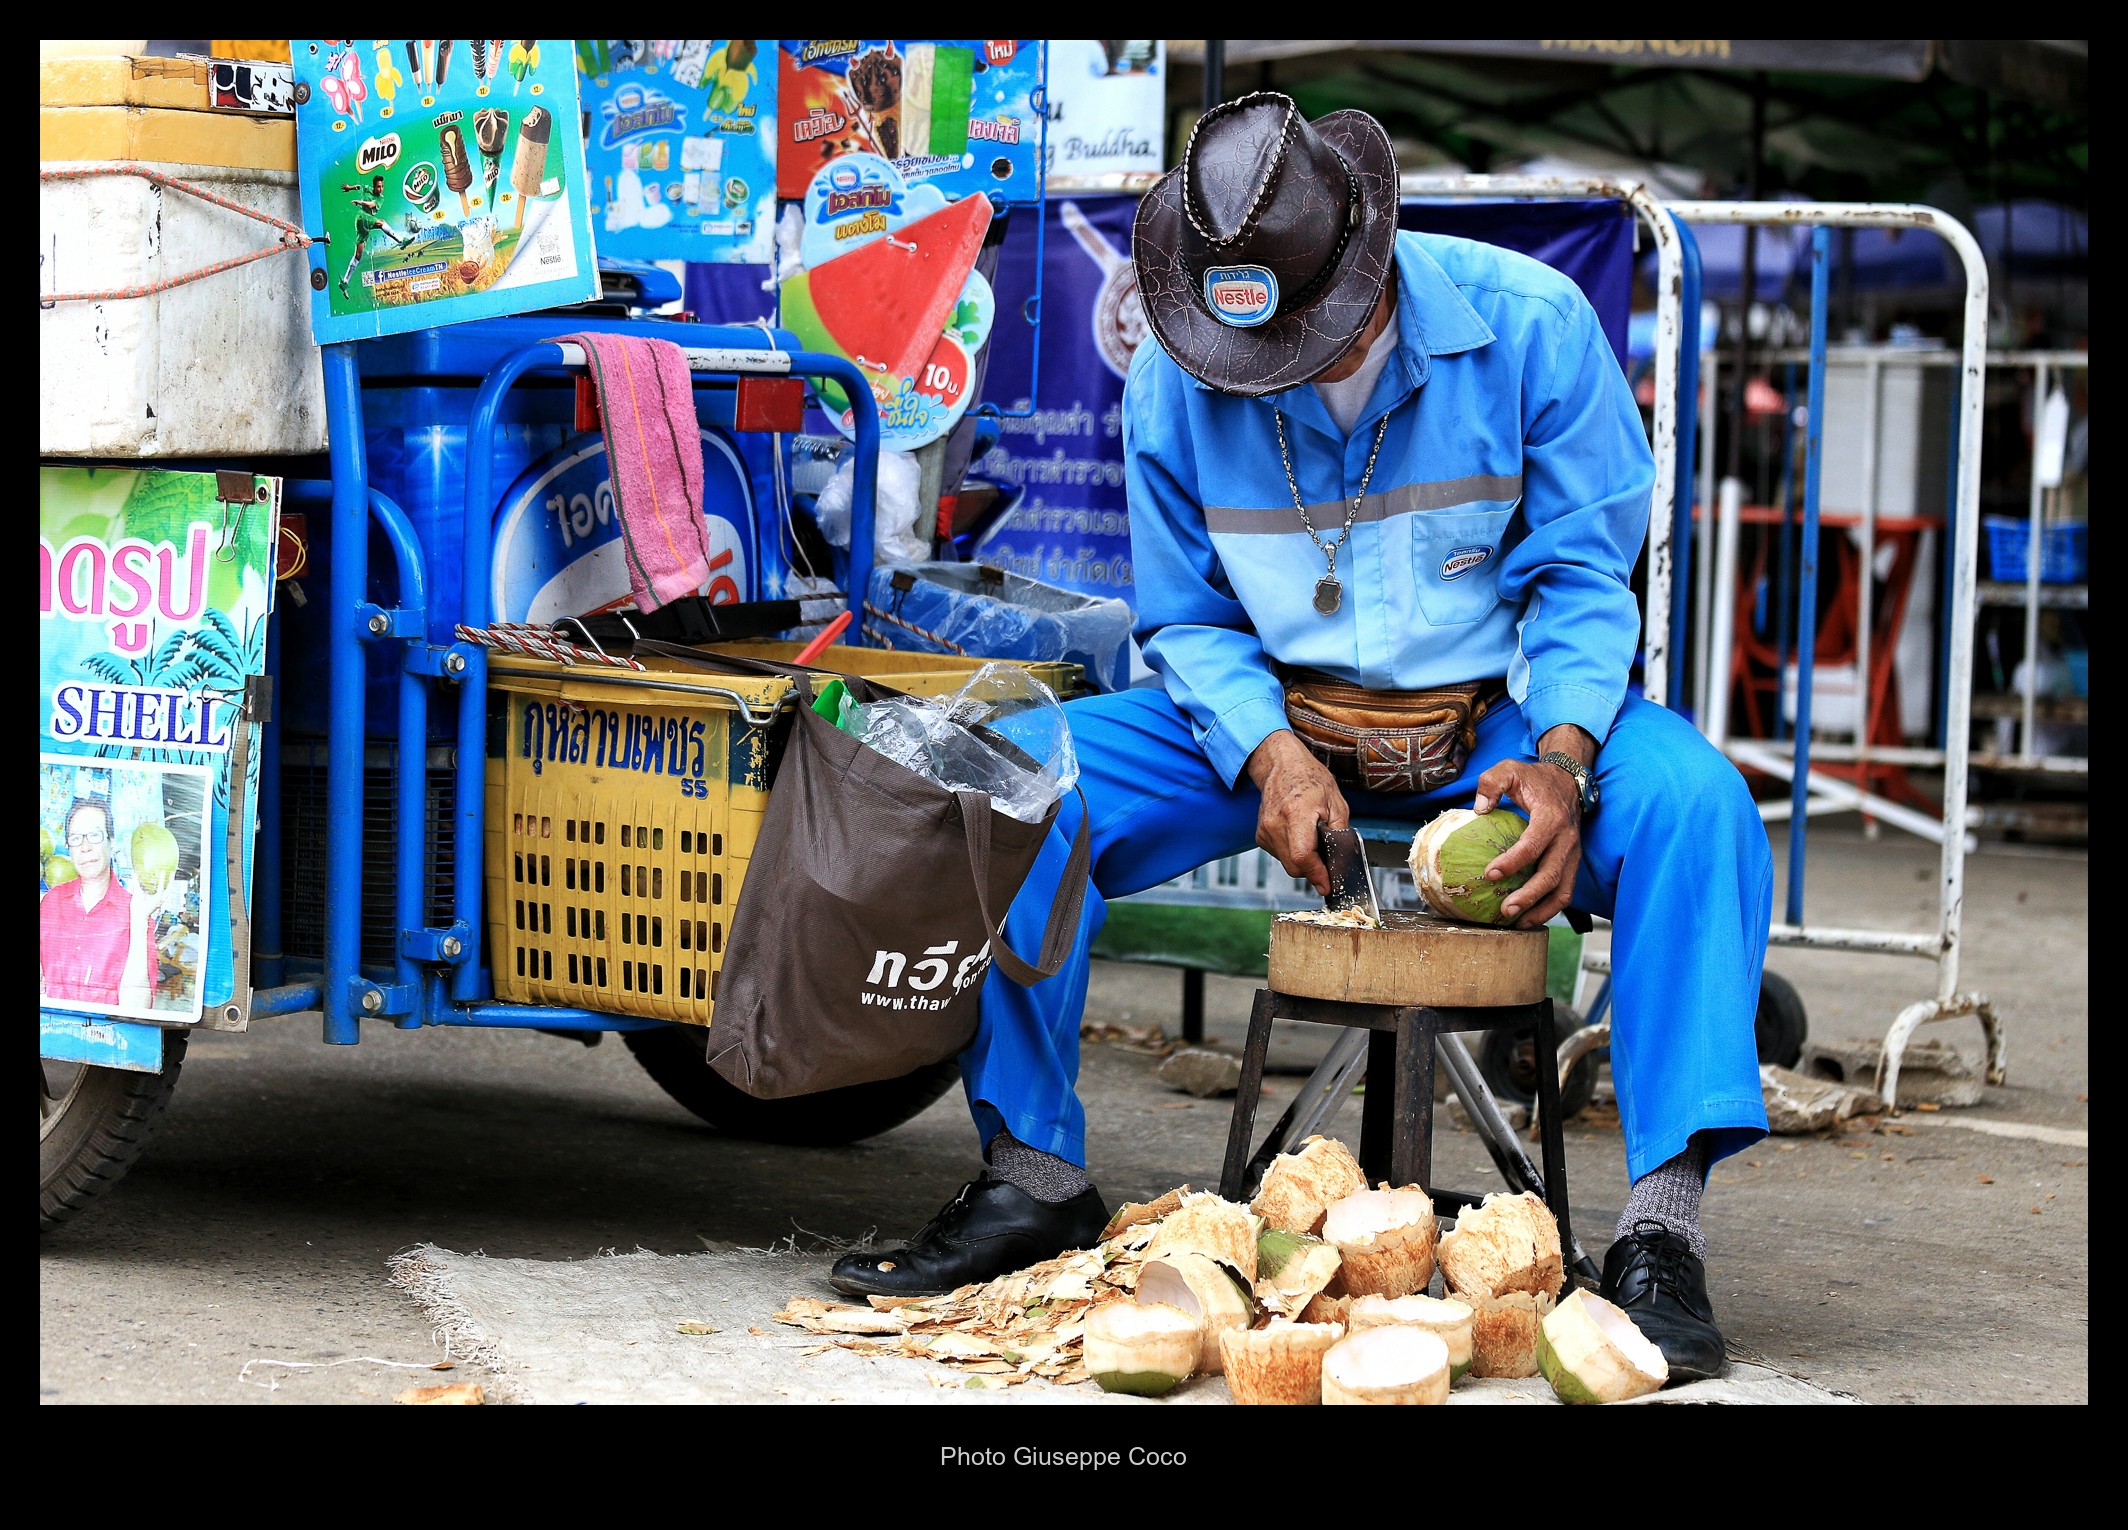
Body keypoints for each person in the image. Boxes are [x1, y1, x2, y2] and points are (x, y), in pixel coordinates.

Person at [830, 95, 1772, 1381]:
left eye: (1303, 343)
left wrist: (1559, 759)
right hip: (1281, 719)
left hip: (1498, 716)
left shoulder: (1535, 328)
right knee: (1009, 778)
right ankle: (1030, 1174)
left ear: (1371, 264)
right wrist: (1268, 751)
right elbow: (1191, 617)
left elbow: (1581, 580)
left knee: (1696, 809)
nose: (1265, 373)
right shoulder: (1176, 369)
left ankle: (1661, 1237)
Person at [40, 798, 156, 1012]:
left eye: (94, 836)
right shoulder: (50, 903)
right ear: (67, 846)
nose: (85, 847)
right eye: (76, 838)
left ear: (112, 842)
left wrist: (139, 921)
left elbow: (138, 1011)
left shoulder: (136, 913)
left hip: (106, 1039)